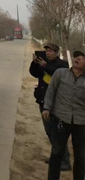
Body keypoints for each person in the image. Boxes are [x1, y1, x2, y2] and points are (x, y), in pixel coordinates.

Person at [43, 50, 85, 180]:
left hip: (80, 123)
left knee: (81, 157)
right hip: (61, 120)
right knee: (56, 154)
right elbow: (51, 91)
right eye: (76, 57)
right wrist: (47, 108)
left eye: (81, 57)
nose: (77, 58)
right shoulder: (60, 74)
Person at [29, 42, 70, 170]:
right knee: (49, 132)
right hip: (43, 102)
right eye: (46, 51)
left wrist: (45, 66)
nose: (48, 53)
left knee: (57, 133)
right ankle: (56, 156)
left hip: (56, 104)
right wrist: (34, 63)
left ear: (57, 52)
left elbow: (58, 74)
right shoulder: (44, 63)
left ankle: (65, 161)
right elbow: (34, 74)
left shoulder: (62, 65)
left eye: (51, 51)